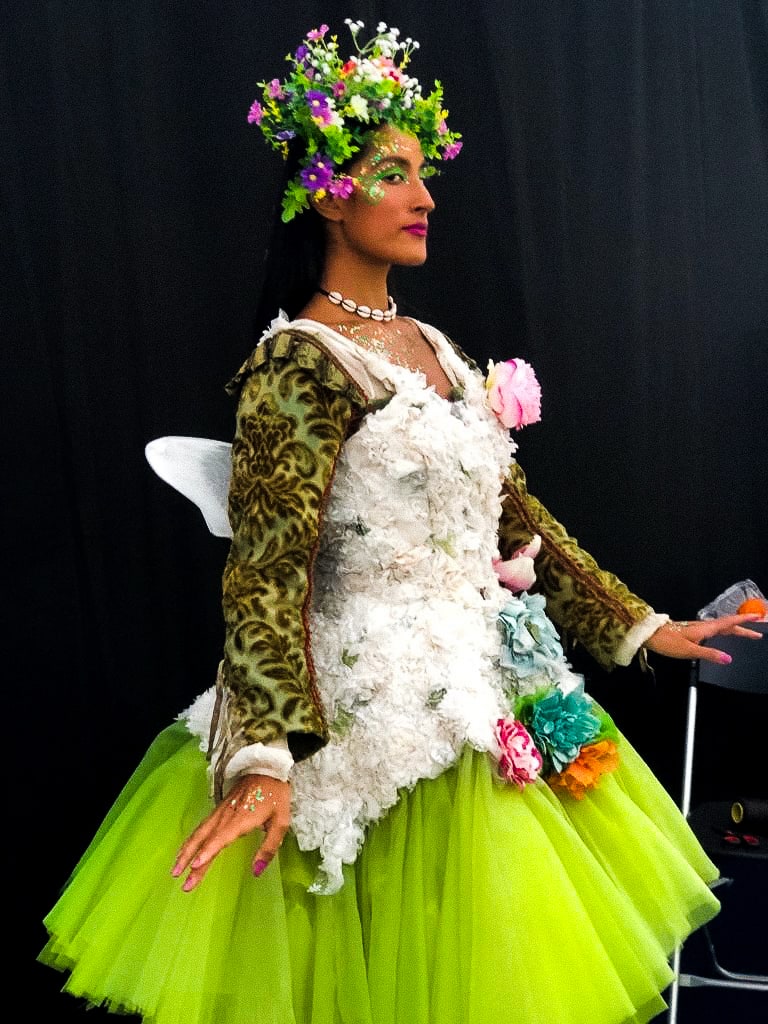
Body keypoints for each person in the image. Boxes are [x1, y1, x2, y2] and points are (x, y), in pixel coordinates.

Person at [39, 19, 762, 1024]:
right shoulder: (301, 362)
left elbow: (514, 517)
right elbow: (265, 571)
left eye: (424, 174)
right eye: (393, 174)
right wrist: (259, 758)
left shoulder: (431, 344)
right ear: (329, 193)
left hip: (475, 702)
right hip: (361, 729)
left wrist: (641, 625)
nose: (425, 197)